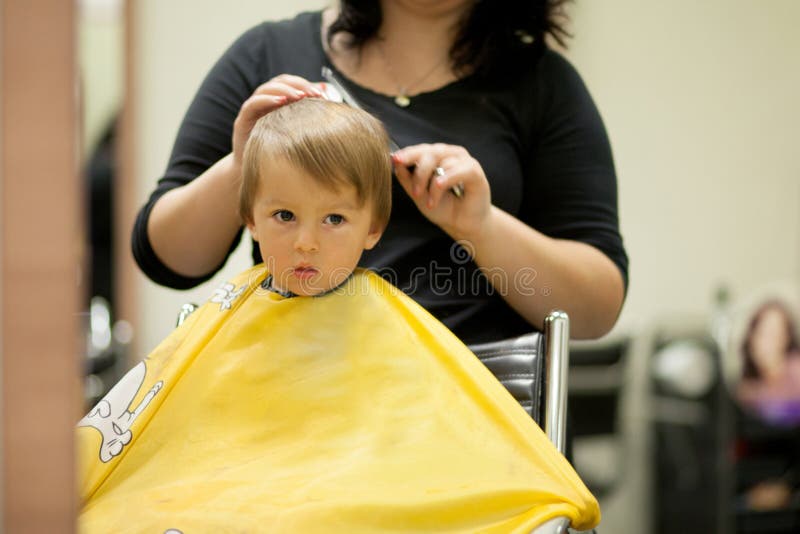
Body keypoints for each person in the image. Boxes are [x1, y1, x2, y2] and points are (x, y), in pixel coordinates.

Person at [80, 98, 600, 532]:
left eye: (333, 218)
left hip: (349, 495)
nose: (306, 242)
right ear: (250, 219)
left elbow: (419, 442)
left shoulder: (393, 323)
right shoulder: (225, 313)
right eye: (284, 215)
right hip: (230, 493)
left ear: (373, 228)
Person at [133, 0, 628, 342]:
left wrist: (482, 227)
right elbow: (168, 258)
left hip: (470, 421)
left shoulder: (543, 84)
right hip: (293, 403)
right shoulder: (266, 53)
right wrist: (243, 165)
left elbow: (593, 310)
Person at [737, 300, 800, 422]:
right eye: (764, 333)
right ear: (752, 338)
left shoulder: (796, 369)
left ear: (787, 339)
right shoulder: (746, 386)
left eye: (777, 333)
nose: (770, 341)